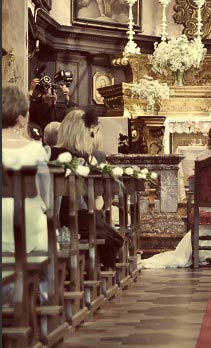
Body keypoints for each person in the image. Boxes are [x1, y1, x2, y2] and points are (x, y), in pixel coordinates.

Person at [143, 125, 211, 268]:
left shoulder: (200, 158)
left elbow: (198, 185)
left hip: (204, 207)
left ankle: (202, 253)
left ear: (209, 138)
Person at [50, 109, 123, 269]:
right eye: (91, 134)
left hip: (48, 216)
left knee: (110, 235)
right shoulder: (81, 159)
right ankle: (102, 270)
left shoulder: (48, 154)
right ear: (81, 133)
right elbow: (96, 199)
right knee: (114, 238)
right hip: (73, 216)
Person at [2, 86, 51, 305]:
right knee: (49, 238)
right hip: (27, 224)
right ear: (22, 119)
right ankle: (40, 293)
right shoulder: (35, 150)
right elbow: (46, 195)